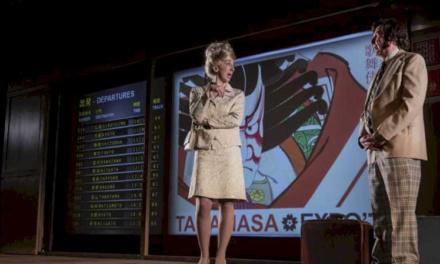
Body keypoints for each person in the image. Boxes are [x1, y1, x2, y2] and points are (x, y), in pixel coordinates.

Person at [359, 18, 428, 264]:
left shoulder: (412, 60)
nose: (372, 41)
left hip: (400, 151)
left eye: (376, 35)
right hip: (376, 155)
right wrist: (362, 137)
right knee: (382, 223)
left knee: (401, 223)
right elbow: (367, 111)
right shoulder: (379, 70)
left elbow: (410, 104)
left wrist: (380, 135)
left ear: (391, 35)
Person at [187, 41, 246, 264]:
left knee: (227, 204)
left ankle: (221, 257)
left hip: (229, 152)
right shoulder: (197, 92)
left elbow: (234, 120)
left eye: (233, 64)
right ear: (215, 66)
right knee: (203, 203)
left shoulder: (238, 95)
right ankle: (204, 256)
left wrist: (209, 122)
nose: (231, 68)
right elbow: (196, 116)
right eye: (227, 63)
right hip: (206, 151)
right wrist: (208, 96)